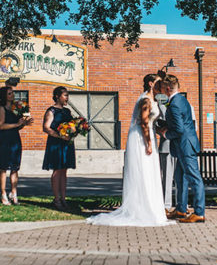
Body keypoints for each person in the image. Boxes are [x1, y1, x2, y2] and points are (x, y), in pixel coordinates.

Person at [87, 74, 174, 226]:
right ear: (150, 83)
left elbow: (152, 123)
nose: (161, 87)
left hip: (151, 136)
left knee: (151, 173)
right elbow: (143, 123)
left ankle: (151, 208)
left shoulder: (153, 100)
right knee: (144, 172)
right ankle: (142, 209)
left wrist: (161, 131)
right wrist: (148, 143)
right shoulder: (145, 100)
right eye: (159, 84)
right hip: (142, 139)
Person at [157, 75, 206, 223]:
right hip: (182, 145)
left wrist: (165, 132)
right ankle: (180, 209)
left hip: (185, 145)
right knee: (180, 178)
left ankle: (199, 212)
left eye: (162, 90)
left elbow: (178, 129)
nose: (161, 93)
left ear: (167, 88)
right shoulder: (182, 100)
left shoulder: (174, 104)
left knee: (194, 178)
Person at [0, 86, 33, 205]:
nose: (13, 95)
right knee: (4, 167)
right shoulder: (1, 108)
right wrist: (17, 124)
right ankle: (3, 194)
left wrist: (24, 124)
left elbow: (18, 125)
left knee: (15, 167)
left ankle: (14, 192)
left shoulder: (16, 108)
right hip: (5, 139)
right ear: (4, 96)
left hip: (15, 138)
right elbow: (1, 125)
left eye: (12, 93)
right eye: (10, 93)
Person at [42, 86, 76, 209]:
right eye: (65, 95)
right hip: (56, 143)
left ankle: (63, 198)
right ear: (57, 96)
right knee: (57, 170)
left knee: (64, 171)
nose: (67, 97)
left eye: (67, 95)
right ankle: (56, 199)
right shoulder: (51, 111)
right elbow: (46, 127)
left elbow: (73, 126)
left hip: (66, 144)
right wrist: (60, 136)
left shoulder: (67, 111)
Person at [154, 77, 177, 212]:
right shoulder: (161, 102)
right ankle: (166, 205)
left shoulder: (182, 102)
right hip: (166, 144)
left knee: (180, 178)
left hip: (179, 145)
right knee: (166, 179)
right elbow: (157, 121)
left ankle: (181, 205)